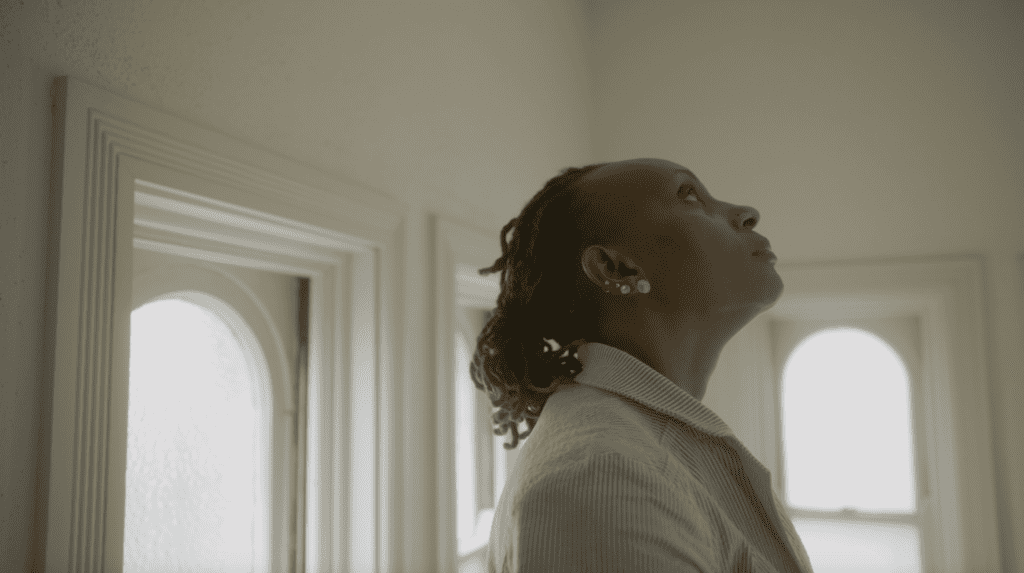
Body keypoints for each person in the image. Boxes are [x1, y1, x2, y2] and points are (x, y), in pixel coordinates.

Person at [471, 158, 815, 572]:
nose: (746, 213)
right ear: (616, 267)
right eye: (688, 195)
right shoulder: (604, 478)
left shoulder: (646, 447)